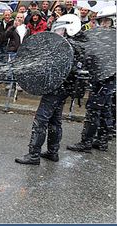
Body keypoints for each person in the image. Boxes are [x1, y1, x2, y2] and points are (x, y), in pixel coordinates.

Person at [15, 14, 83, 165]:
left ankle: (33, 155)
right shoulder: (73, 44)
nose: (56, 32)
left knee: (41, 119)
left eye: (60, 29)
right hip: (61, 88)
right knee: (55, 120)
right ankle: (53, 152)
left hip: (57, 88)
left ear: (69, 29)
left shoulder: (69, 46)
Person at [67, 7, 116, 153]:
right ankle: (102, 140)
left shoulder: (111, 38)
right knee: (106, 109)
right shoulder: (109, 38)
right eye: (101, 21)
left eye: (105, 21)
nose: (102, 24)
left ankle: (86, 142)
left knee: (94, 111)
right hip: (107, 78)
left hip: (104, 79)